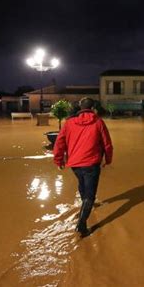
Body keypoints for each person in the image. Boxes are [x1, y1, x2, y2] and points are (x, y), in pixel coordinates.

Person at [53, 97, 113, 237]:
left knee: (82, 185)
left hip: (75, 164)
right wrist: (108, 160)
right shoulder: (98, 122)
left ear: (80, 108)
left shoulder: (69, 122)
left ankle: (85, 205)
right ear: (93, 108)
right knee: (90, 195)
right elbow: (107, 144)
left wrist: (59, 160)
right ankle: (81, 224)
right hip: (91, 163)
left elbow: (59, 143)